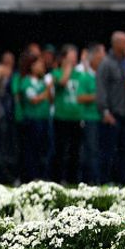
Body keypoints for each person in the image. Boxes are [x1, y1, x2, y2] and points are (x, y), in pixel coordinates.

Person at [96, 31, 125, 184]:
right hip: (112, 114)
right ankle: (105, 181)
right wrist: (104, 111)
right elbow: (101, 89)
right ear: (117, 44)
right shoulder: (106, 64)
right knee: (109, 151)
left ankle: (123, 181)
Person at [51, 44, 83, 184]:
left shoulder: (80, 74)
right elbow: (62, 83)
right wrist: (67, 69)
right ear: (64, 58)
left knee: (75, 150)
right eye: (72, 55)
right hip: (61, 117)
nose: (75, 58)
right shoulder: (56, 73)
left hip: (76, 117)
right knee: (60, 149)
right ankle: (58, 178)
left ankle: (73, 179)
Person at [18, 55, 52, 182]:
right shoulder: (26, 81)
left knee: (43, 149)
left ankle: (41, 175)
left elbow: (50, 99)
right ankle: (29, 177)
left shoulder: (43, 81)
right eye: (39, 64)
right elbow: (34, 99)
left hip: (44, 118)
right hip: (31, 120)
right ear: (32, 66)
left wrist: (47, 92)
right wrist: (47, 91)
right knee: (30, 149)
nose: (42, 67)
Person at [78, 43, 104, 184]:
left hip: (102, 117)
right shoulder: (85, 77)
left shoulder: (101, 76)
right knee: (91, 150)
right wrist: (97, 96)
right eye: (100, 57)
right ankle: (92, 180)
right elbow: (80, 97)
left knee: (100, 150)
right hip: (89, 118)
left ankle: (99, 177)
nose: (103, 60)